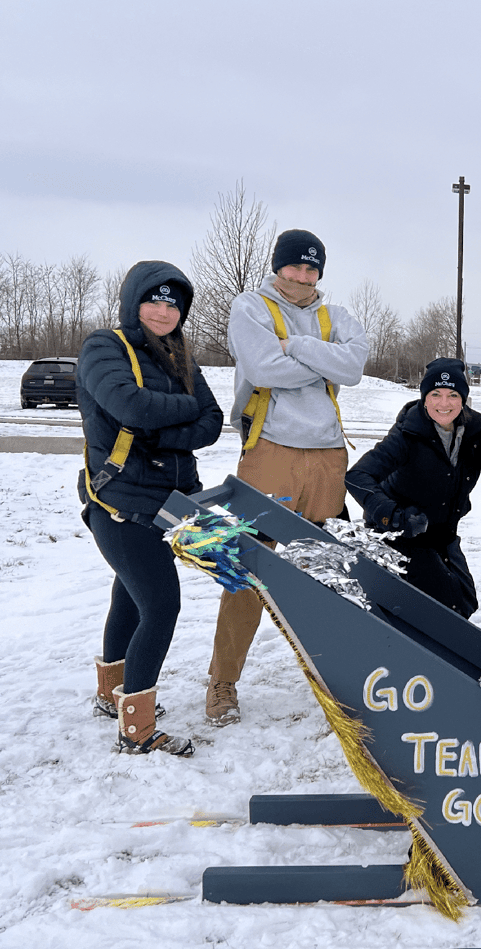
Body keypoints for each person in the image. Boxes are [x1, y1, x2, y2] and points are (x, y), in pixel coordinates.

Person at [205, 229, 368, 726]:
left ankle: (343, 679)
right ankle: (222, 683)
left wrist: (295, 346)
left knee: (333, 574)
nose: (301, 277)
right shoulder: (249, 306)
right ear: (278, 267)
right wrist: (322, 364)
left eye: (311, 269)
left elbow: (355, 367)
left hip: (327, 456)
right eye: (293, 267)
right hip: (269, 452)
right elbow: (264, 369)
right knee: (246, 571)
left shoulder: (336, 316)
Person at [78, 261, 223, 755]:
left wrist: (158, 428)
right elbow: (129, 407)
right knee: (161, 605)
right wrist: (182, 411)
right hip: (120, 502)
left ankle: (110, 695)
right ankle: (136, 730)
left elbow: (213, 423)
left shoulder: (180, 355)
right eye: (154, 301)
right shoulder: (105, 347)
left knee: (131, 597)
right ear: (132, 303)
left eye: (173, 303)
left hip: (167, 503)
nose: (164, 311)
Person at [345, 358, 481, 616]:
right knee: (436, 607)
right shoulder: (408, 433)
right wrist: (393, 515)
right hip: (398, 535)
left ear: (464, 399)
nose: (444, 403)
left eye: (453, 394)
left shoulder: (476, 431)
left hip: (442, 534)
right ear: (424, 398)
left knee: (464, 603)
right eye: (435, 394)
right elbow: (358, 476)